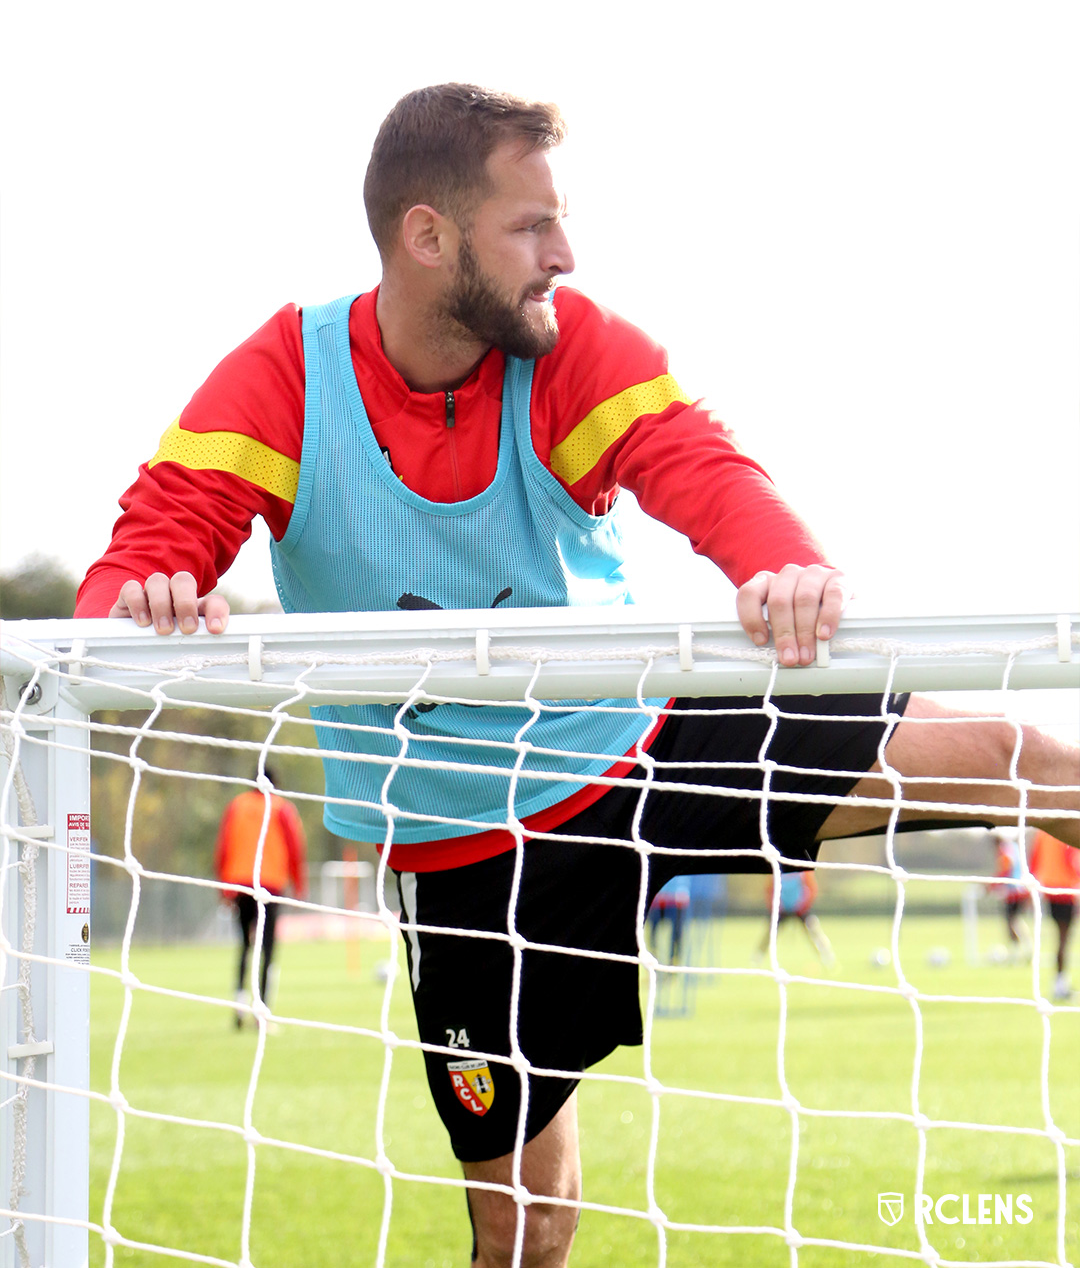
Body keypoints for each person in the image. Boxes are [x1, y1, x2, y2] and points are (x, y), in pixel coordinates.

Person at [74, 84, 1079, 1268]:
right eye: (532, 226)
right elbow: (139, 562)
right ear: (428, 236)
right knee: (527, 1229)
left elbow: (696, 464)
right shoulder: (288, 374)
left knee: (1039, 764)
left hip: (642, 747)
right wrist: (148, 600)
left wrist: (786, 566)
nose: (565, 254)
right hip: (464, 850)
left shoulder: (569, 346)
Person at [214, 768, 308, 1026]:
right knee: (267, 949)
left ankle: (240, 1005)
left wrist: (223, 887)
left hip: (240, 883)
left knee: (244, 946)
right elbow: (294, 847)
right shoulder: (281, 808)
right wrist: (299, 883)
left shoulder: (237, 805)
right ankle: (262, 1011)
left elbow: (223, 846)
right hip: (269, 885)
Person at [1029, 828, 1080, 1000]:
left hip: (1049, 887)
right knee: (1064, 939)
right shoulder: (1067, 831)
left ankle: (1059, 983)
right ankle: (1060, 984)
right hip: (1065, 889)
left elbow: (1034, 860)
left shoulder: (1042, 833)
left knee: (1061, 938)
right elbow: (1072, 861)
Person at [754, 869, 836, 968]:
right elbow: (769, 890)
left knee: (814, 930)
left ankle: (827, 956)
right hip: (781, 909)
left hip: (801, 908)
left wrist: (803, 904)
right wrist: (776, 906)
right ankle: (759, 956)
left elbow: (811, 889)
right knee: (770, 933)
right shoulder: (776, 872)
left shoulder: (803, 873)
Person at [990, 831, 1032, 962]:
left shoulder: (1005, 851)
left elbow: (1006, 869)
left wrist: (993, 885)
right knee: (1015, 922)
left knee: (1012, 922)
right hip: (1019, 890)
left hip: (1014, 892)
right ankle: (1025, 950)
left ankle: (1020, 951)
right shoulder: (1013, 847)